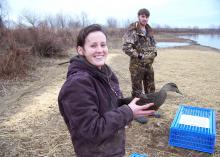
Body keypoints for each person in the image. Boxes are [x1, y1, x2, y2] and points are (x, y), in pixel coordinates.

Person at [58, 24, 155, 157]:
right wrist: (128, 112)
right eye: (93, 46)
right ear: (81, 50)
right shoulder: (77, 85)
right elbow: (90, 130)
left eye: (103, 45)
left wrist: (131, 106)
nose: (100, 50)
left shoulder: (105, 73)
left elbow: (109, 105)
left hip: (112, 148)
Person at [122, 8, 158, 124]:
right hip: (137, 66)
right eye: (143, 16)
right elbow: (126, 48)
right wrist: (139, 56)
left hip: (149, 65)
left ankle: (150, 110)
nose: (145, 19)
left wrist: (154, 53)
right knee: (137, 91)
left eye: (147, 17)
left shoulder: (149, 30)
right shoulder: (132, 30)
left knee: (150, 89)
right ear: (138, 17)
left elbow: (153, 44)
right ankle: (136, 113)